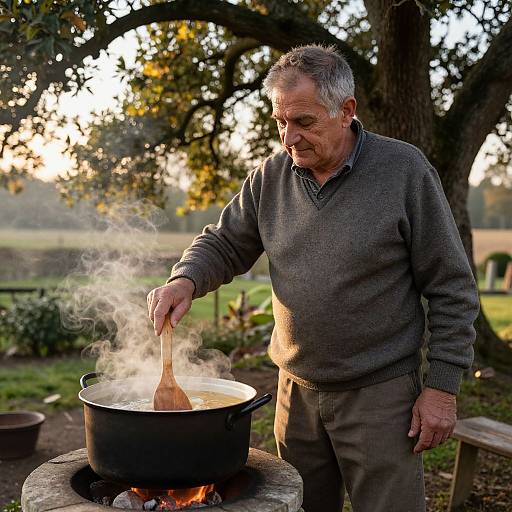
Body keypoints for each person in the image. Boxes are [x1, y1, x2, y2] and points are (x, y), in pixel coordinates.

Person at [147, 44, 480, 512]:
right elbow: (225, 243)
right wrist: (185, 280)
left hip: (381, 399)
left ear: (346, 111)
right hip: (296, 396)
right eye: (280, 122)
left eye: (304, 122)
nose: (290, 138)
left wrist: (442, 388)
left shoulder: (404, 171)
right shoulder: (270, 177)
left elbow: (452, 288)